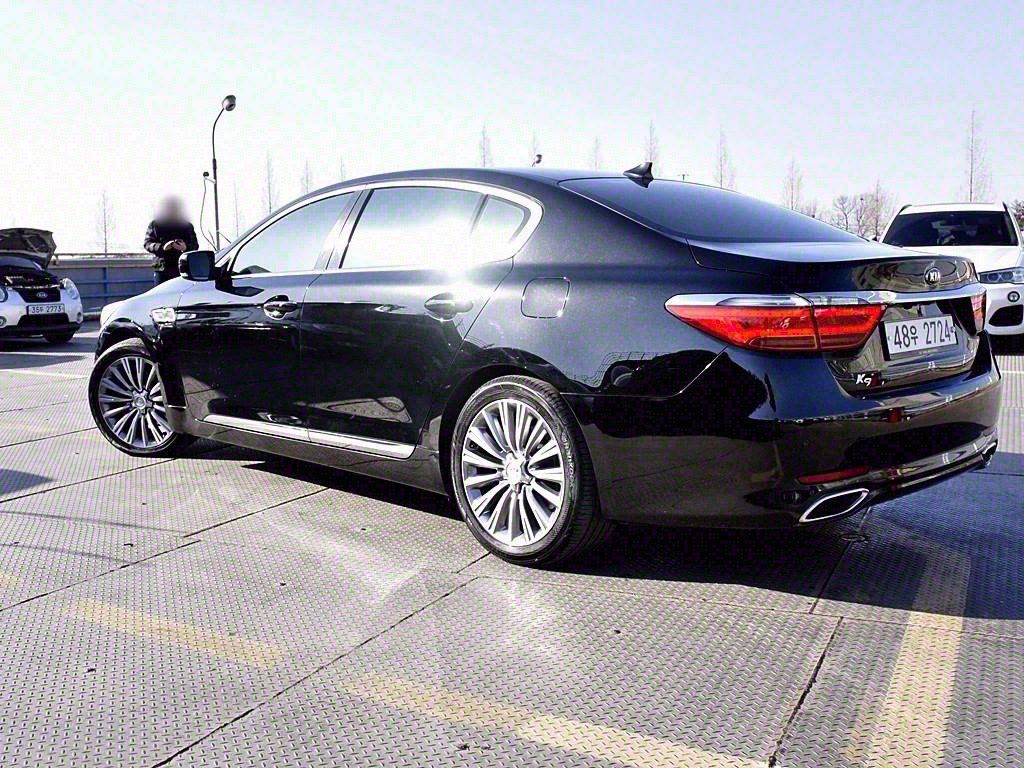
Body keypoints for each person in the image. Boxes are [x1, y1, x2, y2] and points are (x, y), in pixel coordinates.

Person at [144, 197, 199, 285]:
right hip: (162, 269)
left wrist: (185, 247)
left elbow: (195, 245)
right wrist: (163, 247)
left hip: (182, 268)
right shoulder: (155, 225)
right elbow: (147, 244)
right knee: (162, 292)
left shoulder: (186, 226)